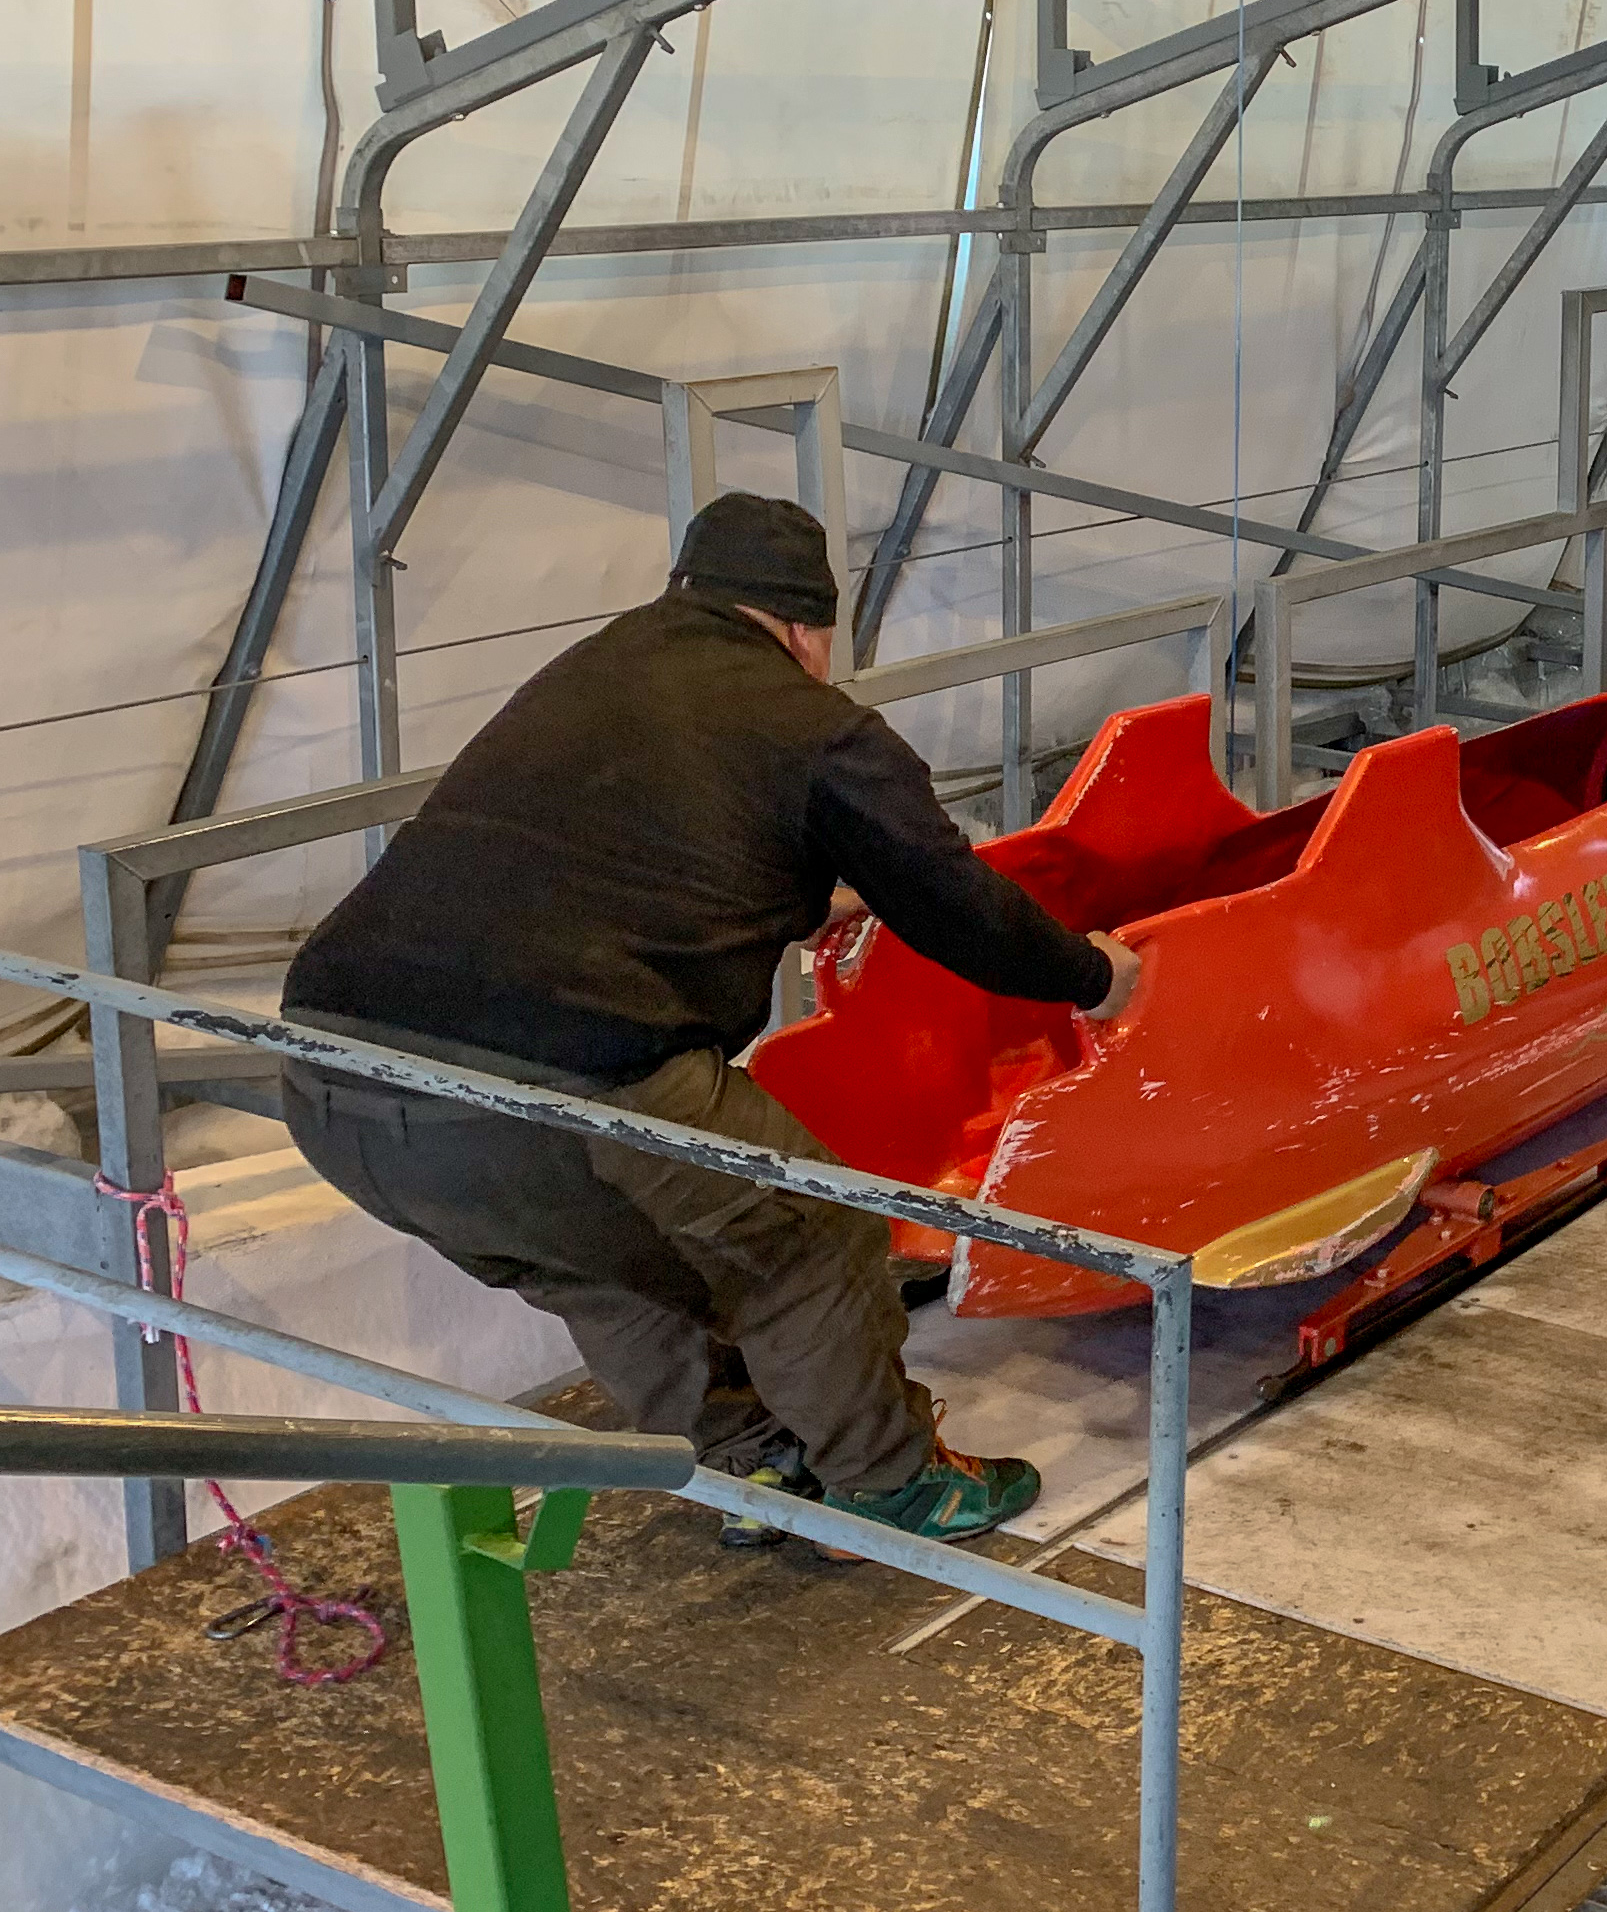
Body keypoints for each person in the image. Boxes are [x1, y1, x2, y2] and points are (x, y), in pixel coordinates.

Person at [275, 493, 1137, 1547]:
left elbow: (595, 862)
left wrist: (803, 902)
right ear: (807, 632)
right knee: (812, 1232)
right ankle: (891, 1481)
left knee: (612, 1266)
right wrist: (1093, 976)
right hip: (561, 1076)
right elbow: (955, 903)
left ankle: (749, 1468)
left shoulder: (595, 671)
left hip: (332, 1081)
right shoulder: (814, 725)